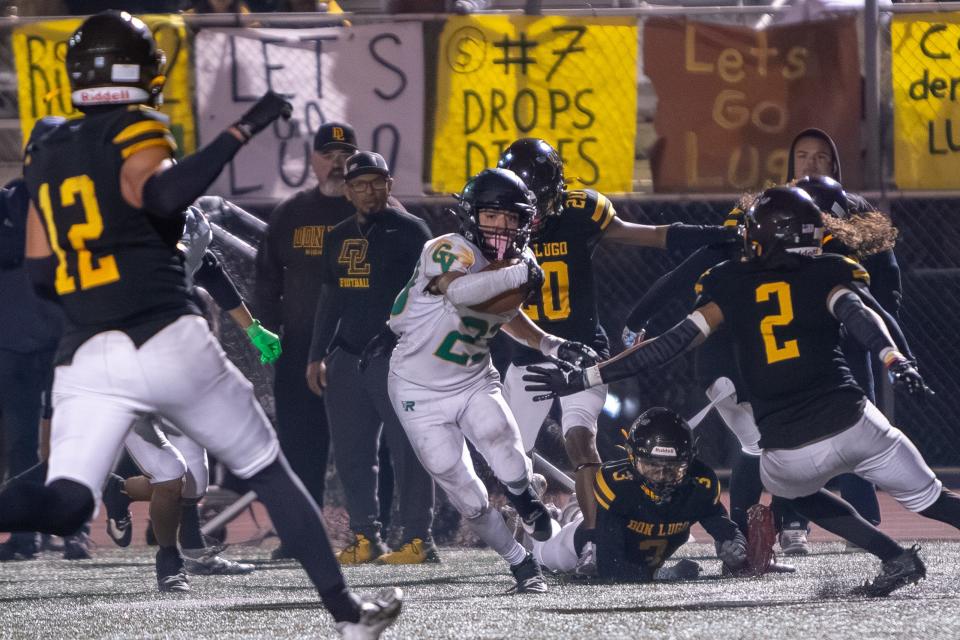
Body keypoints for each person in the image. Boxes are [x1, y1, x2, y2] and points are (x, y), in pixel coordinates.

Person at [1, 12, 401, 636]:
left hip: (87, 348)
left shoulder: (46, 150)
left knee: (63, 502)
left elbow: (40, 274)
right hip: (164, 332)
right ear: (140, 71)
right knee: (269, 468)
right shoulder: (139, 128)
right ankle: (349, 616)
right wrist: (245, 127)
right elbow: (161, 196)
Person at [526, 186, 960, 597]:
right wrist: (893, 359)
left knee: (794, 492)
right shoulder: (830, 271)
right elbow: (860, 316)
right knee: (934, 500)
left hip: (789, 450)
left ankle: (893, 555)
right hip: (857, 424)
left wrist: (586, 377)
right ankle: (897, 554)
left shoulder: (730, 282)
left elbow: (668, 344)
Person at [496, 138, 738, 547]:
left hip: (581, 352)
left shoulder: (581, 211)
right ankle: (542, 507)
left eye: (537, 199)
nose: (530, 213)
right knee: (505, 457)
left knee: (579, 437)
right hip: (529, 353)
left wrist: (717, 234)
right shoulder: (497, 220)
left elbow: (652, 235)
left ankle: (593, 539)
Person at [386, 168, 596, 593]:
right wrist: (521, 274)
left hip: (473, 379)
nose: (501, 226)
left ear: (525, 221)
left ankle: (525, 500)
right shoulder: (449, 249)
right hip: (416, 389)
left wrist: (553, 345)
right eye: (492, 215)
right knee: (466, 494)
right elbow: (462, 292)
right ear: (471, 215)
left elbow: (502, 315)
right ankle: (520, 564)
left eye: (511, 218)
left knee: (507, 450)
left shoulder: (520, 263)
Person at [102, 203, 278, 590]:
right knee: (170, 475)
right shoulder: (120, 268)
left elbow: (214, 276)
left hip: (176, 380)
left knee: (192, 485)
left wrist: (254, 330)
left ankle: (122, 492)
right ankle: (169, 563)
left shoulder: (193, 250)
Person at [305, 151, 436, 565]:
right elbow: (330, 298)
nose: (370, 191)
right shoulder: (338, 235)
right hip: (347, 355)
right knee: (351, 454)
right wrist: (316, 355)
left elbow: (432, 297)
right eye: (360, 184)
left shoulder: (414, 232)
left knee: (408, 449)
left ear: (390, 185)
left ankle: (418, 538)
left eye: (378, 182)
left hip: (399, 356)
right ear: (347, 191)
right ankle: (365, 536)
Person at [787, 128, 904, 544]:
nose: (810, 164)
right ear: (790, 162)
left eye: (820, 157)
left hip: (847, 335)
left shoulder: (855, 209)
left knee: (860, 420)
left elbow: (886, 270)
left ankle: (863, 519)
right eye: (802, 155)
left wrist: (883, 313)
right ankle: (792, 522)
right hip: (792, 338)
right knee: (788, 427)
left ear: (834, 165)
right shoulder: (775, 208)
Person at [254, 121, 358, 529]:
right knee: (300, 445)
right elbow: (265, 281)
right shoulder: (291, 213)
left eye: (345, 156)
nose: (336, 164)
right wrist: (268, 333)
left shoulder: (373, 211)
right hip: (299, 347)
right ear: (313, 161)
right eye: (328, 156)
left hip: (356, 348)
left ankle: (378, 530)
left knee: (368, 446)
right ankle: (301, 531)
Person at [532, 407, 747, 581]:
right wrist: (665, 574)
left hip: (638, 559)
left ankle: (564, 514)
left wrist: (734, 550)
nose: (661, 477)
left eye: (673, 469)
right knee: (539, 554)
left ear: (689, 464)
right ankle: (538, 520)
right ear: (632, 460)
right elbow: (610, 569)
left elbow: (727, 531)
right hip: (577, 548)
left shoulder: (698, 486)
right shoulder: (620, 487)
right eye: (651, 467)